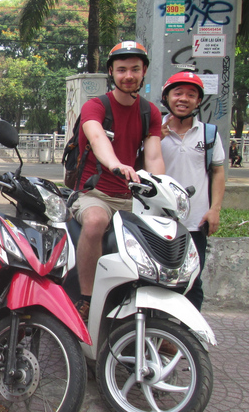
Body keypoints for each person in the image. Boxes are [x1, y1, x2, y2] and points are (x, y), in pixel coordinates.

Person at [71, 41, 165, 322]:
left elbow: (155, 157)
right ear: (111, 72)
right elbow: (96, 136)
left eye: (135, 69)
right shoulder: (95, 106)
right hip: (94, 193)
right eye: (121, 69)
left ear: (144, 71)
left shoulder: (151, 113)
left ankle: (155, 315)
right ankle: (87, 300)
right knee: (95, 222)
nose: (128, 75)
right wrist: (115, 164)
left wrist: (161, 188)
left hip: (132, 198)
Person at [160, 71, 225, 310]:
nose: (184, 99)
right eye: (178, 93)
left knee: (193, 282)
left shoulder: (209, 134)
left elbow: (217, 172)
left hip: (195, 222)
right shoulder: (154, 130)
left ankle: (189, 337)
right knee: (158, 280)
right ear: (167, 97)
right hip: (159, 221)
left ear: (198, 101)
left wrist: (214, 209)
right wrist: (154, 138)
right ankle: (160, 334)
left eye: (191, 94)